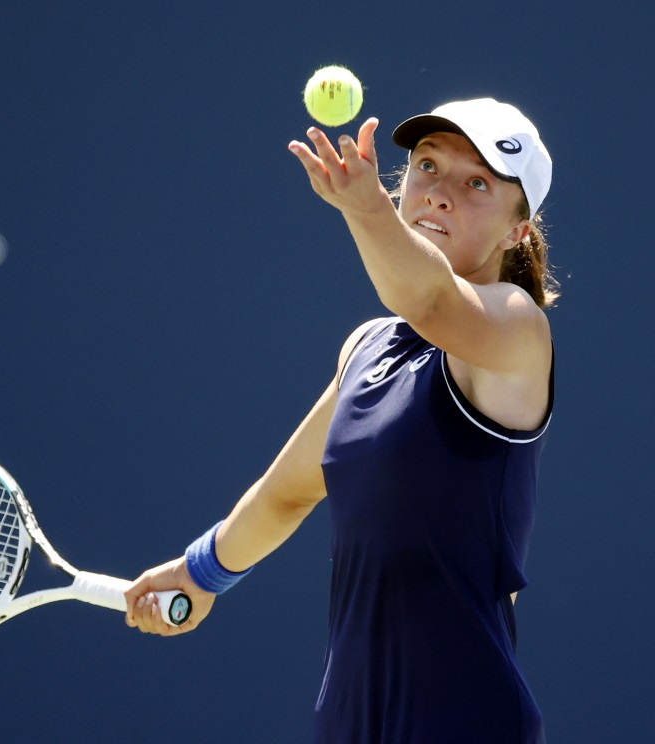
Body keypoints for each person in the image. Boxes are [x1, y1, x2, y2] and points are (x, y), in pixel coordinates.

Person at [125, 97, 557, 743]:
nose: (439, 193)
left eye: (477, 184)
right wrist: (201, 572)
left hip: (467, 723)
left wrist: (366, 210)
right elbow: (288, 492)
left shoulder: (519, 331)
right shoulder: (368, 348)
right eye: (428, 167)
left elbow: (430, 296)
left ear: (517, 231)